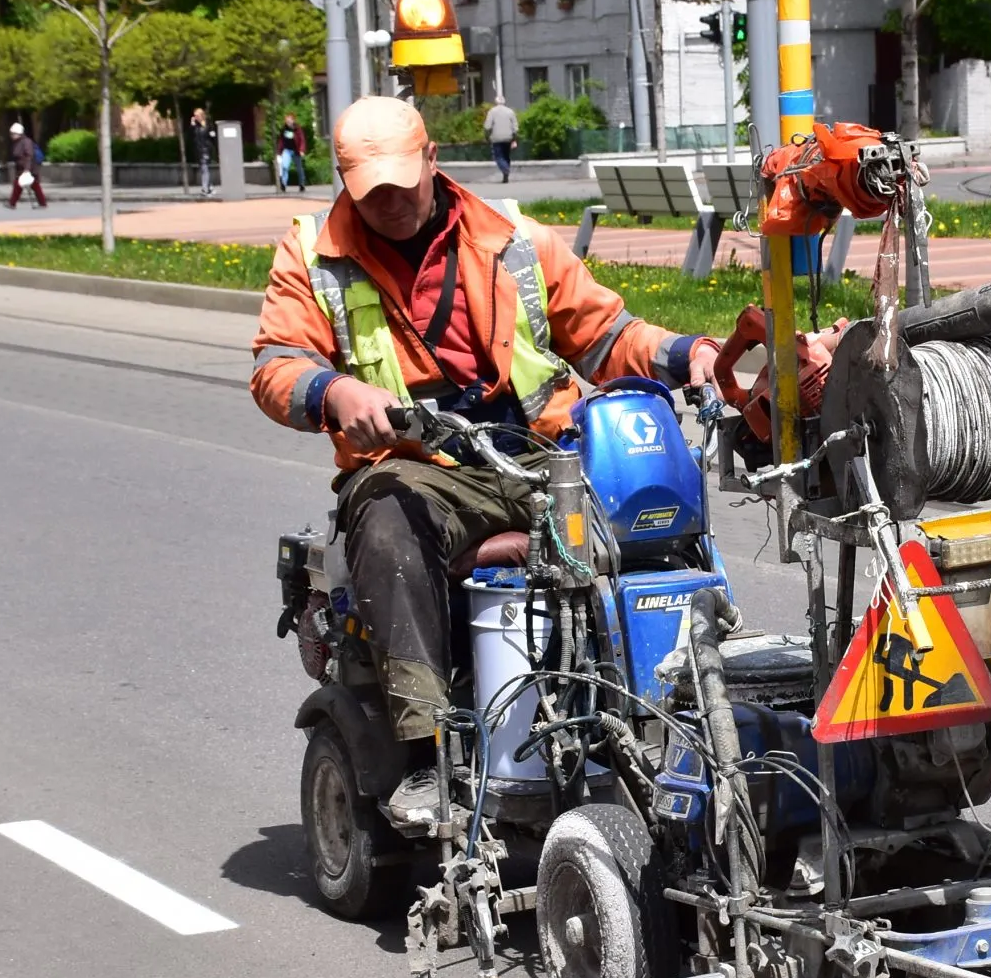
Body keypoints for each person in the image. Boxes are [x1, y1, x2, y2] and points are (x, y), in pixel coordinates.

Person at [249, 97, 725, 829]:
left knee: (658, 512)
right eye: (371, 192)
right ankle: (425, 748)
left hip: (539, 452)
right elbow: (277, 366)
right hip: (417, 464)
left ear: (432, 160)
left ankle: (685, 720)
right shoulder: (311, 253)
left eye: (403, 185)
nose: (392, 205)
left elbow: (605, 336)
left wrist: (688, 354)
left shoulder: (513, 241)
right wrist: (334, 389)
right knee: (387, 525)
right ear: (345, 181)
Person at [6, 121, 47, 209]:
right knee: (19, 185)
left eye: (13, 134)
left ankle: (42, 203)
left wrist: (27, 169)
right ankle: (12, 203)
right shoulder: (17, 143)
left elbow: (29, 156)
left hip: (29, 169)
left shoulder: (26, 142)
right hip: (21, 169)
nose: (12, 136)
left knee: (34, 186)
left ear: (18, 133)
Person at [484, 97, 520, 183]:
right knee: (506, 156)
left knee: (498, 156)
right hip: (508, 137)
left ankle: (505, 170)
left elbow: (487, 126)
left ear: (495, 102)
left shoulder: (492, 111)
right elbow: (515, 127)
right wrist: (514, 137)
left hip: (496, 138)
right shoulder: (510, 111)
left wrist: (487, 135)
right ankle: (505, 175)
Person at [276, 113, 307, 194]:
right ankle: (283, 184)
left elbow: (302, 140)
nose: (288, 122)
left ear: (293, 121)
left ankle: (302, 185)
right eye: (287, 121)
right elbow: (281, 141)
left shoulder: (297, 129)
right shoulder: (284, 129)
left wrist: (302, 150)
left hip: (296, 150)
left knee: (299, 169)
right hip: (287, 150)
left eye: (289, 121)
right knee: (284, 166)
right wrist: (279, 152)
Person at [190, 105, 217, 197]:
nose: (195, 117)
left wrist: (212, 148)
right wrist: (192, 125)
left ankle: (205, 188)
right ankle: (210, 187)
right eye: (194, 116)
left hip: (206, 149)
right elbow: (191, 136)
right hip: (198, 150)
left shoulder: (208, 125)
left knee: (205, 168)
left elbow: (213, 137)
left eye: (197, 115)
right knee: (204, 169)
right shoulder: (195, 127)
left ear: (201, 115)